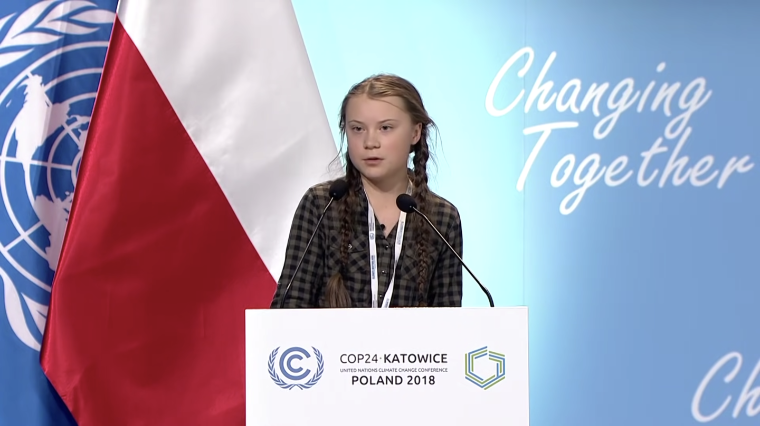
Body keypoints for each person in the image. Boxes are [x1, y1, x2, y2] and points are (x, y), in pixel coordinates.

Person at [270, 74, 463, 308]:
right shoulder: (321, 204)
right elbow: (289, 307)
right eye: (358, 129)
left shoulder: (441, 218)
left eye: (385, 128)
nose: (370, 142)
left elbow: (450, 322)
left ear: (415, 133)